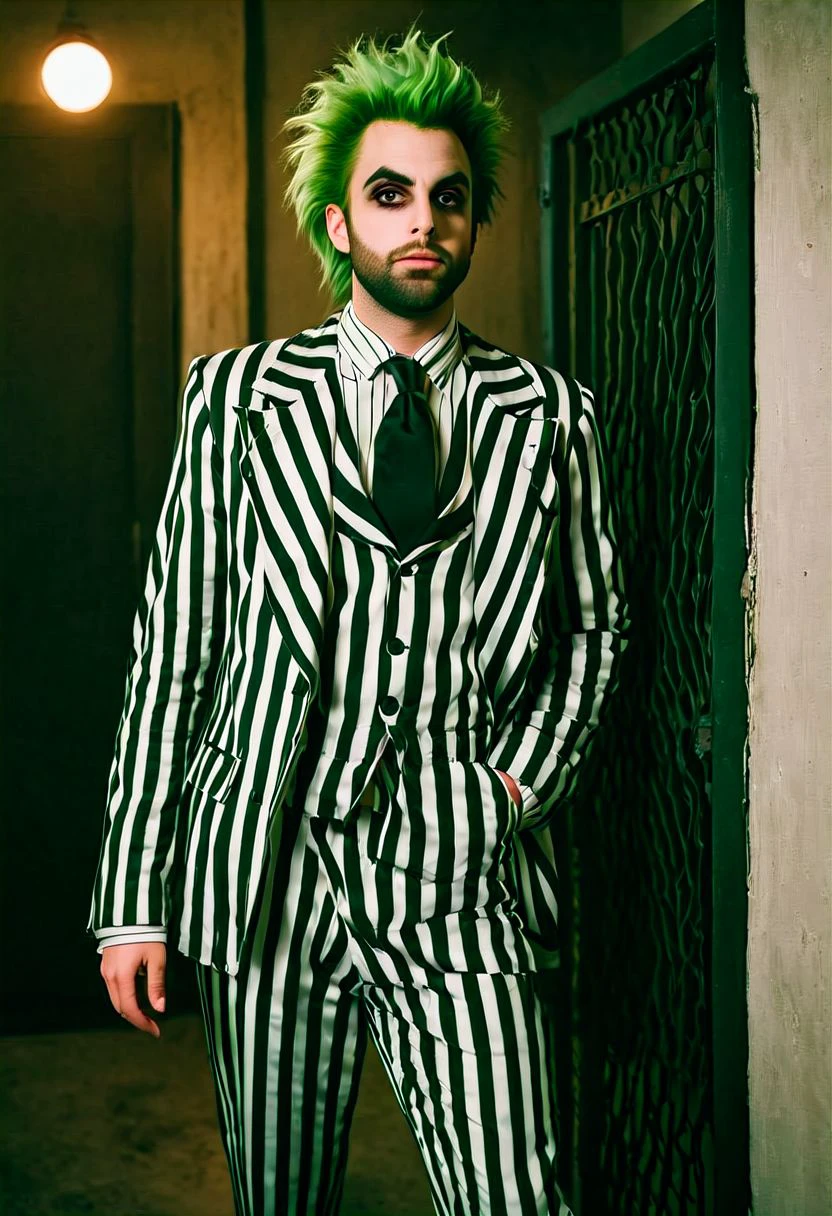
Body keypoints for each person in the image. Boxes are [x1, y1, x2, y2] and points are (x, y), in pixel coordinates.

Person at [87, 24, 628, 1216]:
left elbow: (596, 631)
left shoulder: (548, 415)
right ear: (339, 223)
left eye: (446, 198)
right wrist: (134, 896)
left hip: (463, 875)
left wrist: (514, 787)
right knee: (281, 1194)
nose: (420, 221)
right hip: (270, 874)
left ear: (475, 219)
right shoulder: (231, 400)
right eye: (389, 195)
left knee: (514, 1192)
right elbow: (173, 653)